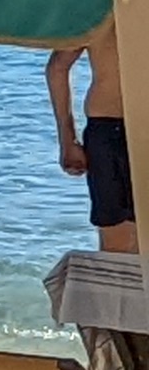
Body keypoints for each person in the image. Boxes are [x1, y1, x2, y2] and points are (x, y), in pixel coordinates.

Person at [51, 23, 131, 256]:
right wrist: (67, 140)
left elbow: (57, 68)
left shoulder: (100, 8)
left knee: (116, 251)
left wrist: (68, 140)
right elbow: (57, 69)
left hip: (108, 128)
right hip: (110, 131)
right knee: (118, 249)